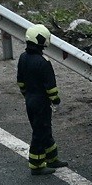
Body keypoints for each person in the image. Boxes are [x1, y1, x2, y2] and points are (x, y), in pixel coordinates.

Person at [17, 24, 67, 176]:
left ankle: (52, 158)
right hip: (41, 102)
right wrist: (56, 100)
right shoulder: (43, 62)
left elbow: (20, 81)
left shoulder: (23, 57)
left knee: (44, 129)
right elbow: (50, 86)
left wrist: (26, 94)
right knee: (40, 131)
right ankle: (37, 165)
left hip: (30, 99)